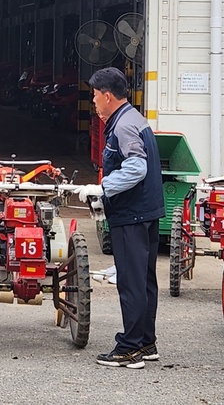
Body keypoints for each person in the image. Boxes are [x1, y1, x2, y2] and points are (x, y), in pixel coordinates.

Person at [78, 67, 164, 369]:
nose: (94, 101)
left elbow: (136, 168)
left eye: (95, 95)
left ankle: (129, 349)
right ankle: (146, 341)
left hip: (132, 214)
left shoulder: (123, 126)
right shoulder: (134, 118)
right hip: (148, 211)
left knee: (130, 281)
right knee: (145, 281)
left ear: (107, 95)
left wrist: (101, 188)